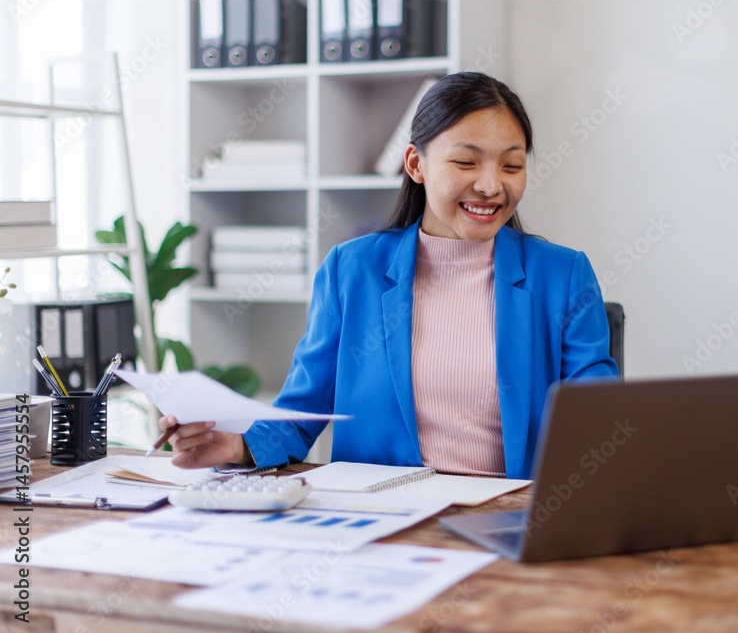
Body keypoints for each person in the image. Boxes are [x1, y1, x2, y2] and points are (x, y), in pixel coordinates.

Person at [162, 72, 618, 480]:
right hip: (385, 517)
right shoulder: (352, 270)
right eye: (466, 162)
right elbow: (302, 412)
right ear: (416, 165)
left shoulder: (563, 275)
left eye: (511, 165)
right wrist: (238, 445)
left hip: (514, 520)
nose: (491, 184)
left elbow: (597, 420)